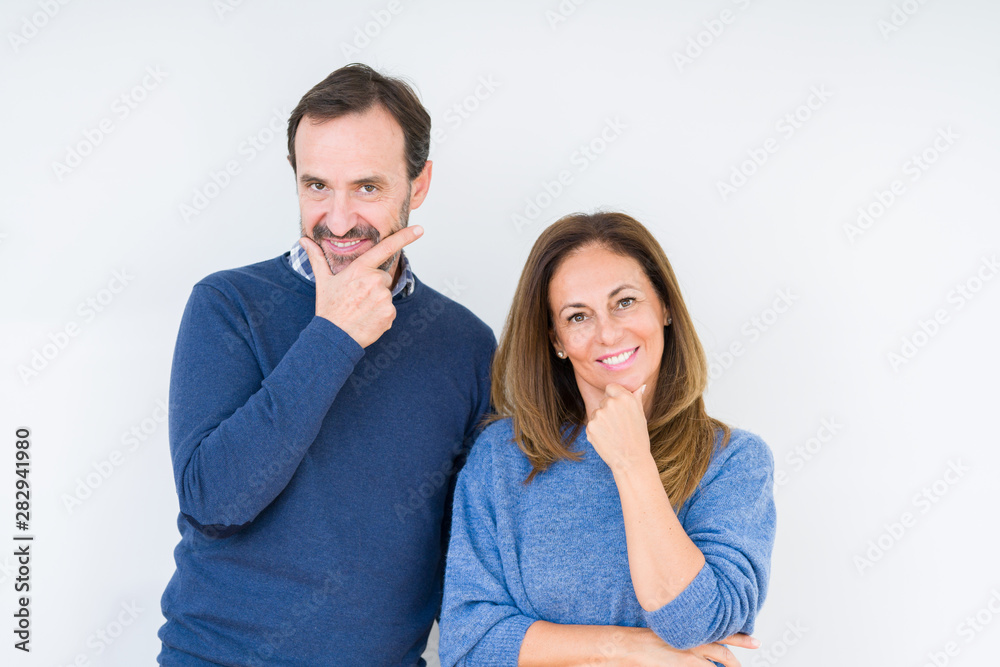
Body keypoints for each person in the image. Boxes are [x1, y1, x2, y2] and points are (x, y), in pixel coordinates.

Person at [157, 64, 496, 666]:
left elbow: (470, 557)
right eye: (317, 186)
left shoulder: (465, 343)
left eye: (367, 187)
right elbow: (215, 502)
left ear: (418, 184)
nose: (338, 221)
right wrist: (333, 336)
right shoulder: (227, 305)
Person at [439, 211, 777, 666]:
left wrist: (632, 461)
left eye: (625, 302)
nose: (608, 333)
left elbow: (695, 624)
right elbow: (468, 647)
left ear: (665, 307)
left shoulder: (733, 461)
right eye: (578, 316)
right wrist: (632, 649)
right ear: (556, 340)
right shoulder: (503, 456)